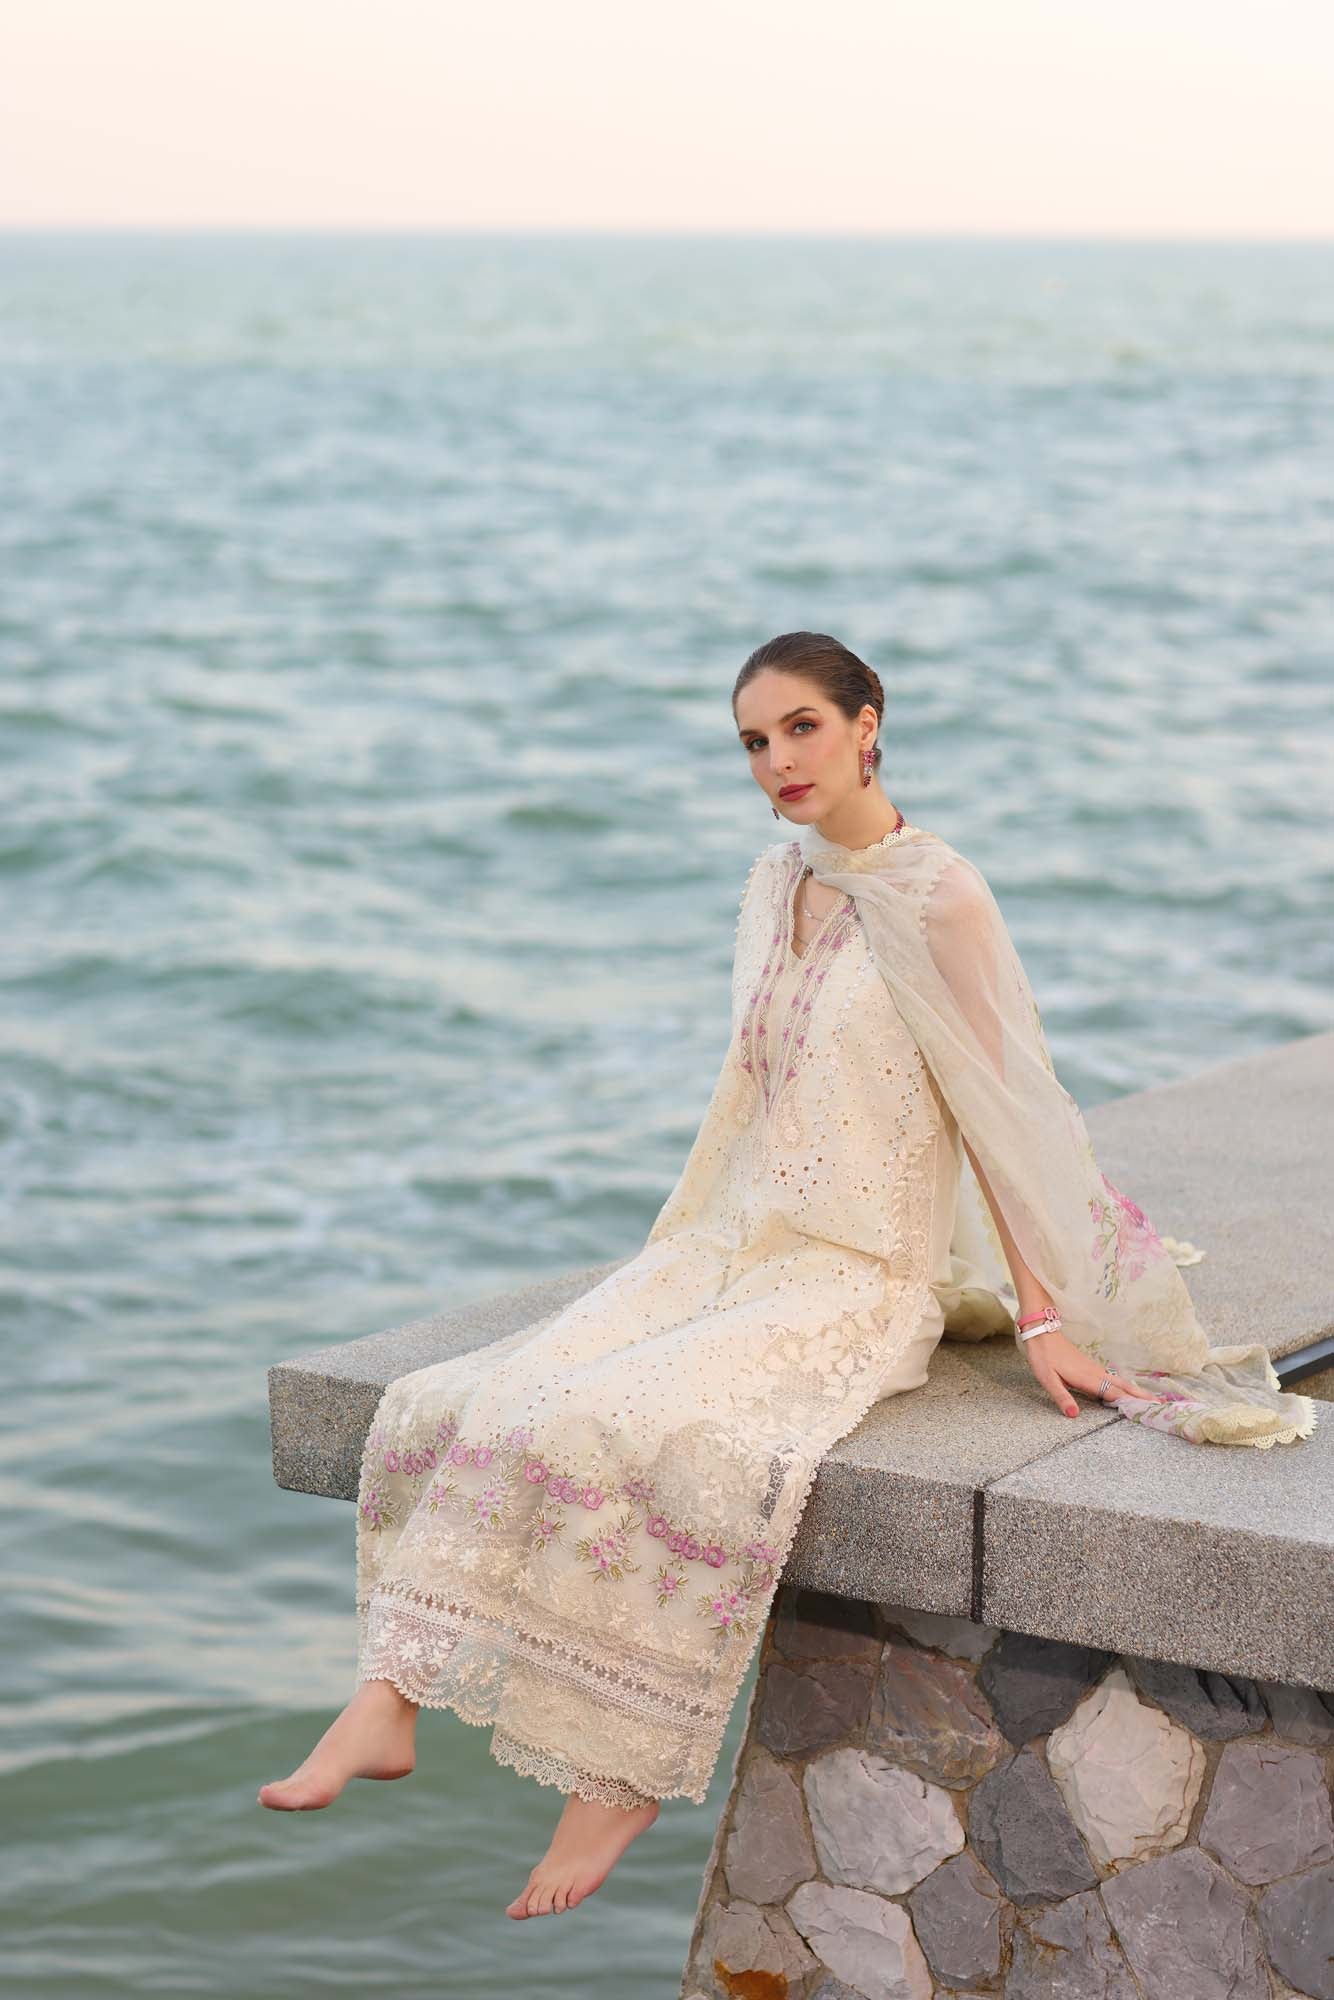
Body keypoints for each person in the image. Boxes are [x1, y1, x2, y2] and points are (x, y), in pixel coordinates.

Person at [258, 632, 1314, 1919]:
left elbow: (1005, 1117)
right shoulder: (773, 883)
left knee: (634, 1422)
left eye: (801, 726)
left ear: (868, 723)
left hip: (854, 1275)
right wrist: (688, 1253)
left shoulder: (941, 898)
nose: (777, 760)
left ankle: (617, 1773)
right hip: (733, 1242)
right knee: (464, 1393)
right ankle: (388, 1696)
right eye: (754, 741)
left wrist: (1039, 1311)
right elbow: (751, 1098)